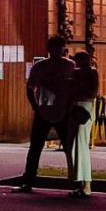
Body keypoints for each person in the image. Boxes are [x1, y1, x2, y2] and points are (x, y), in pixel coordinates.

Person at [13, 35, 75, 193]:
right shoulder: (46, 66)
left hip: (57, 110)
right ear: (50, 50)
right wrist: (36, 106)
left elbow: (30, 88)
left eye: (60, 48)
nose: (58, 51)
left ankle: (75, 180)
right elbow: (30, 88)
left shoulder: (68, 66)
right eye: (56, 48)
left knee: (67, 147)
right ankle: (29, 180)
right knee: (37, 147)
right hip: (48, 110)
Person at [69, 51, 98, 198]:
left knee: (80, 145)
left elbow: (90, 92)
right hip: (85, 107)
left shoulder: (83, 74)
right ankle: (82, 183)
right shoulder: (91, 73)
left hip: (81, 107)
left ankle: (86, 183)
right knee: (79, 145)